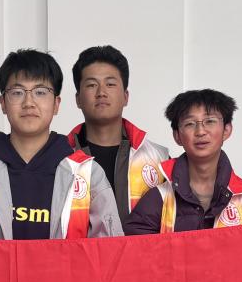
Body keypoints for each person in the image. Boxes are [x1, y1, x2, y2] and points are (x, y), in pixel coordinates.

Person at [0, 49, 122, 239]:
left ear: (56, 104)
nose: (29, 102)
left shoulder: (88, 175)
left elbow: (111, 253)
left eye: (40, 92)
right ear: (2, 103)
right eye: (17, 92)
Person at [124, 89, 242, 233]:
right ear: (177, 136)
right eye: (190, 124)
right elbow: (133, 249)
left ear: (227, 130)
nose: (200, 131)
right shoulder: (160, 198)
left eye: (210, 121)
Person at [66, 45, 170, 229]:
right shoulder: (62, 158)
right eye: (91, 85)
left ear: (126, 96)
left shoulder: (158, 159)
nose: (101, 92)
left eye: (110, 84)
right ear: (78, 99)